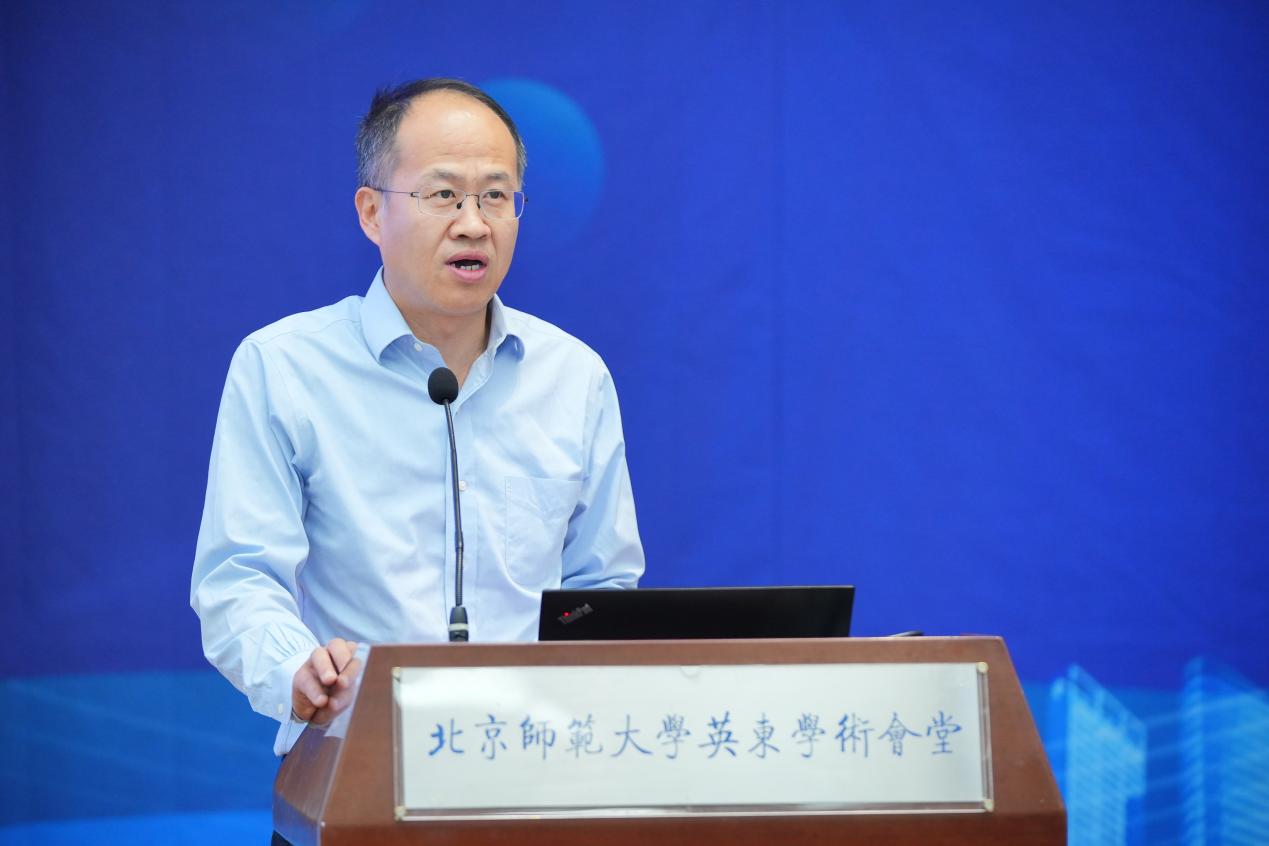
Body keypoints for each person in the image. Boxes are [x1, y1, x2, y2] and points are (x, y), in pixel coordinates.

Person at [191, 78, 644, 755]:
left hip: (535, 761)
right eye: (443, 195)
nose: (473, 223)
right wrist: (295, 671)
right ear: (372, 213)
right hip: (357, 755)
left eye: (496, 196)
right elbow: (239, 576)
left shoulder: (573, 376)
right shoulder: (285, 367)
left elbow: (600, 585)